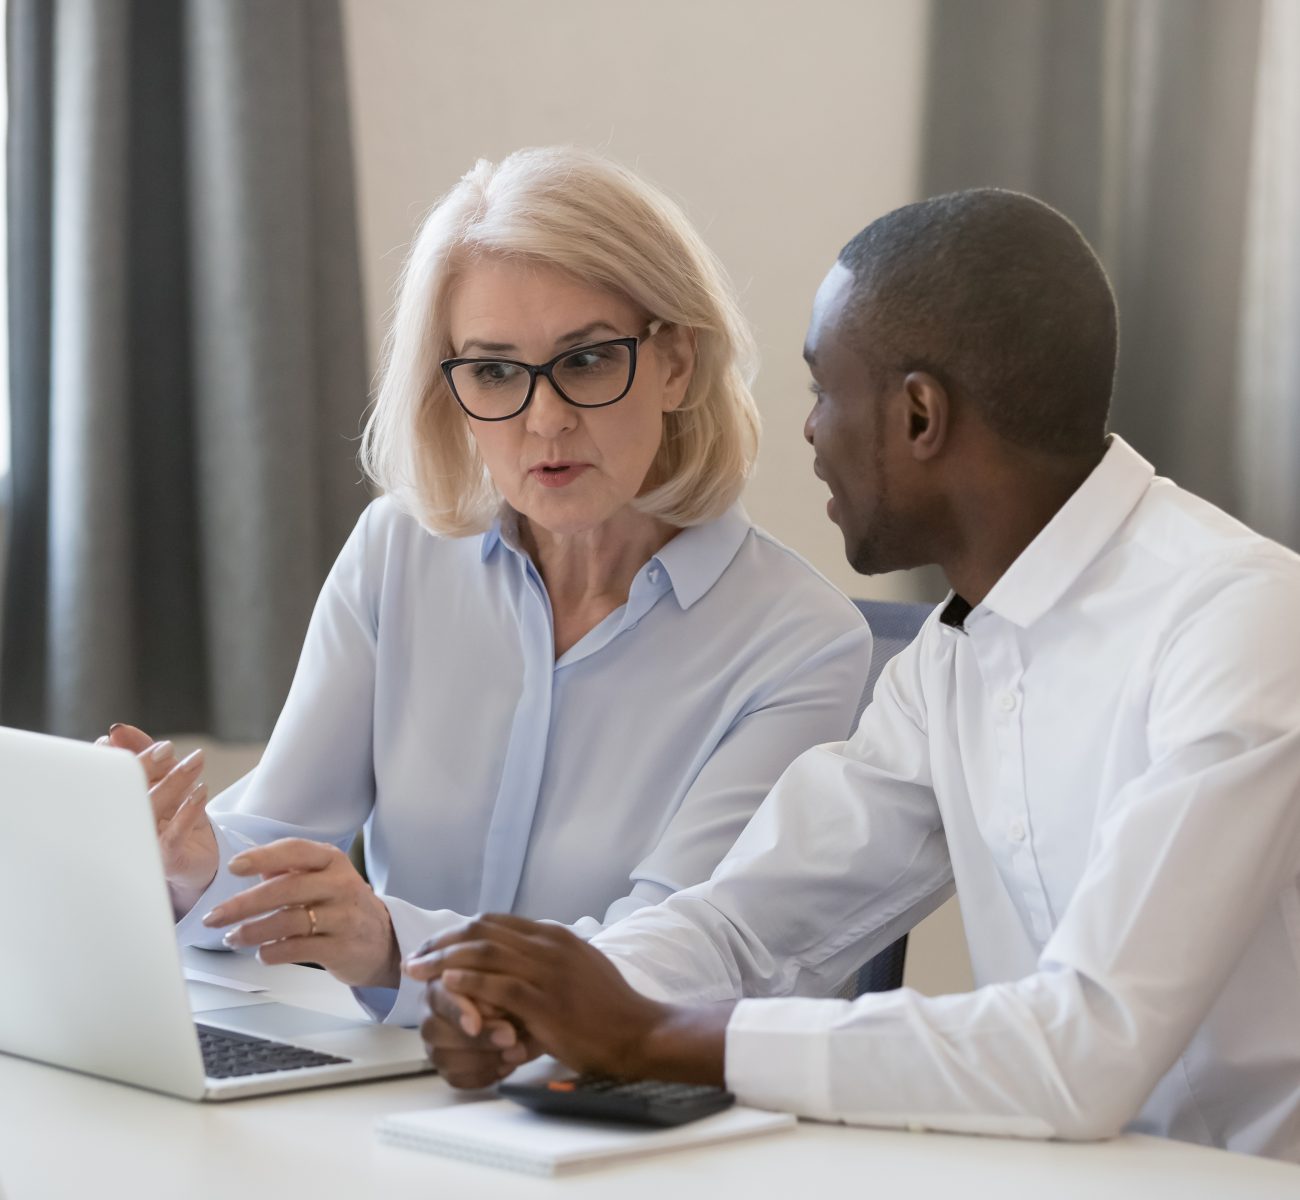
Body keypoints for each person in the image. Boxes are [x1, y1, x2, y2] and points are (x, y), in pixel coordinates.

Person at [409, 189, 1300, 1161]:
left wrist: (650, 1034)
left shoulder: (1238, 620)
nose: (808, 433)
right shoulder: (955, 654)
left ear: (918, 414)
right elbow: (753, 922)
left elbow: (1080, 1050)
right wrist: (537, 1006)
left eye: (821, 389)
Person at [101, 147, 872, 1028]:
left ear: (675, 364)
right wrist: (195, 863)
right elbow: (285, 833)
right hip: (389, 1084)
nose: (545, 419)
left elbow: (669, 960)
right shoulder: (399, 552)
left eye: (585, 361)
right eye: (496, 371)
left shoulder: (806, 644)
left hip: (617, 1115)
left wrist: (392, 944)